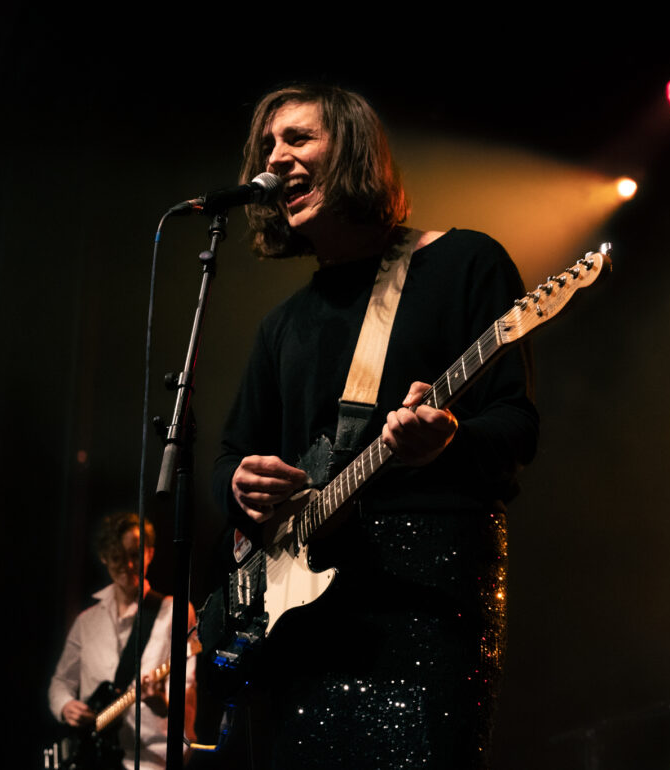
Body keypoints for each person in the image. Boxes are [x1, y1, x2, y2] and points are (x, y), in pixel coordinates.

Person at [211, 83, 539, 768]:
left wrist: (446, 441)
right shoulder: (283, 328)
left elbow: (515, 429)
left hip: (423, 601)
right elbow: (228, 462)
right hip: (303, 628)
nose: (274, 160)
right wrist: (243, 486)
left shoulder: (462, 264)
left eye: (297, 139)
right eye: (267, 147)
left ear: (353, 147)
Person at [48, 512, 197, 770]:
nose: (128, 565)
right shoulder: (86, 621)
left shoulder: (175, 612)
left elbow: (186, 689)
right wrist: (65, 706)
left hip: (150, 761)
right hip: (92, 759)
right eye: (117, 557)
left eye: (135, 555)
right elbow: (61, 682)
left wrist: (162, 702)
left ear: (150, 553)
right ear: (104, 558)